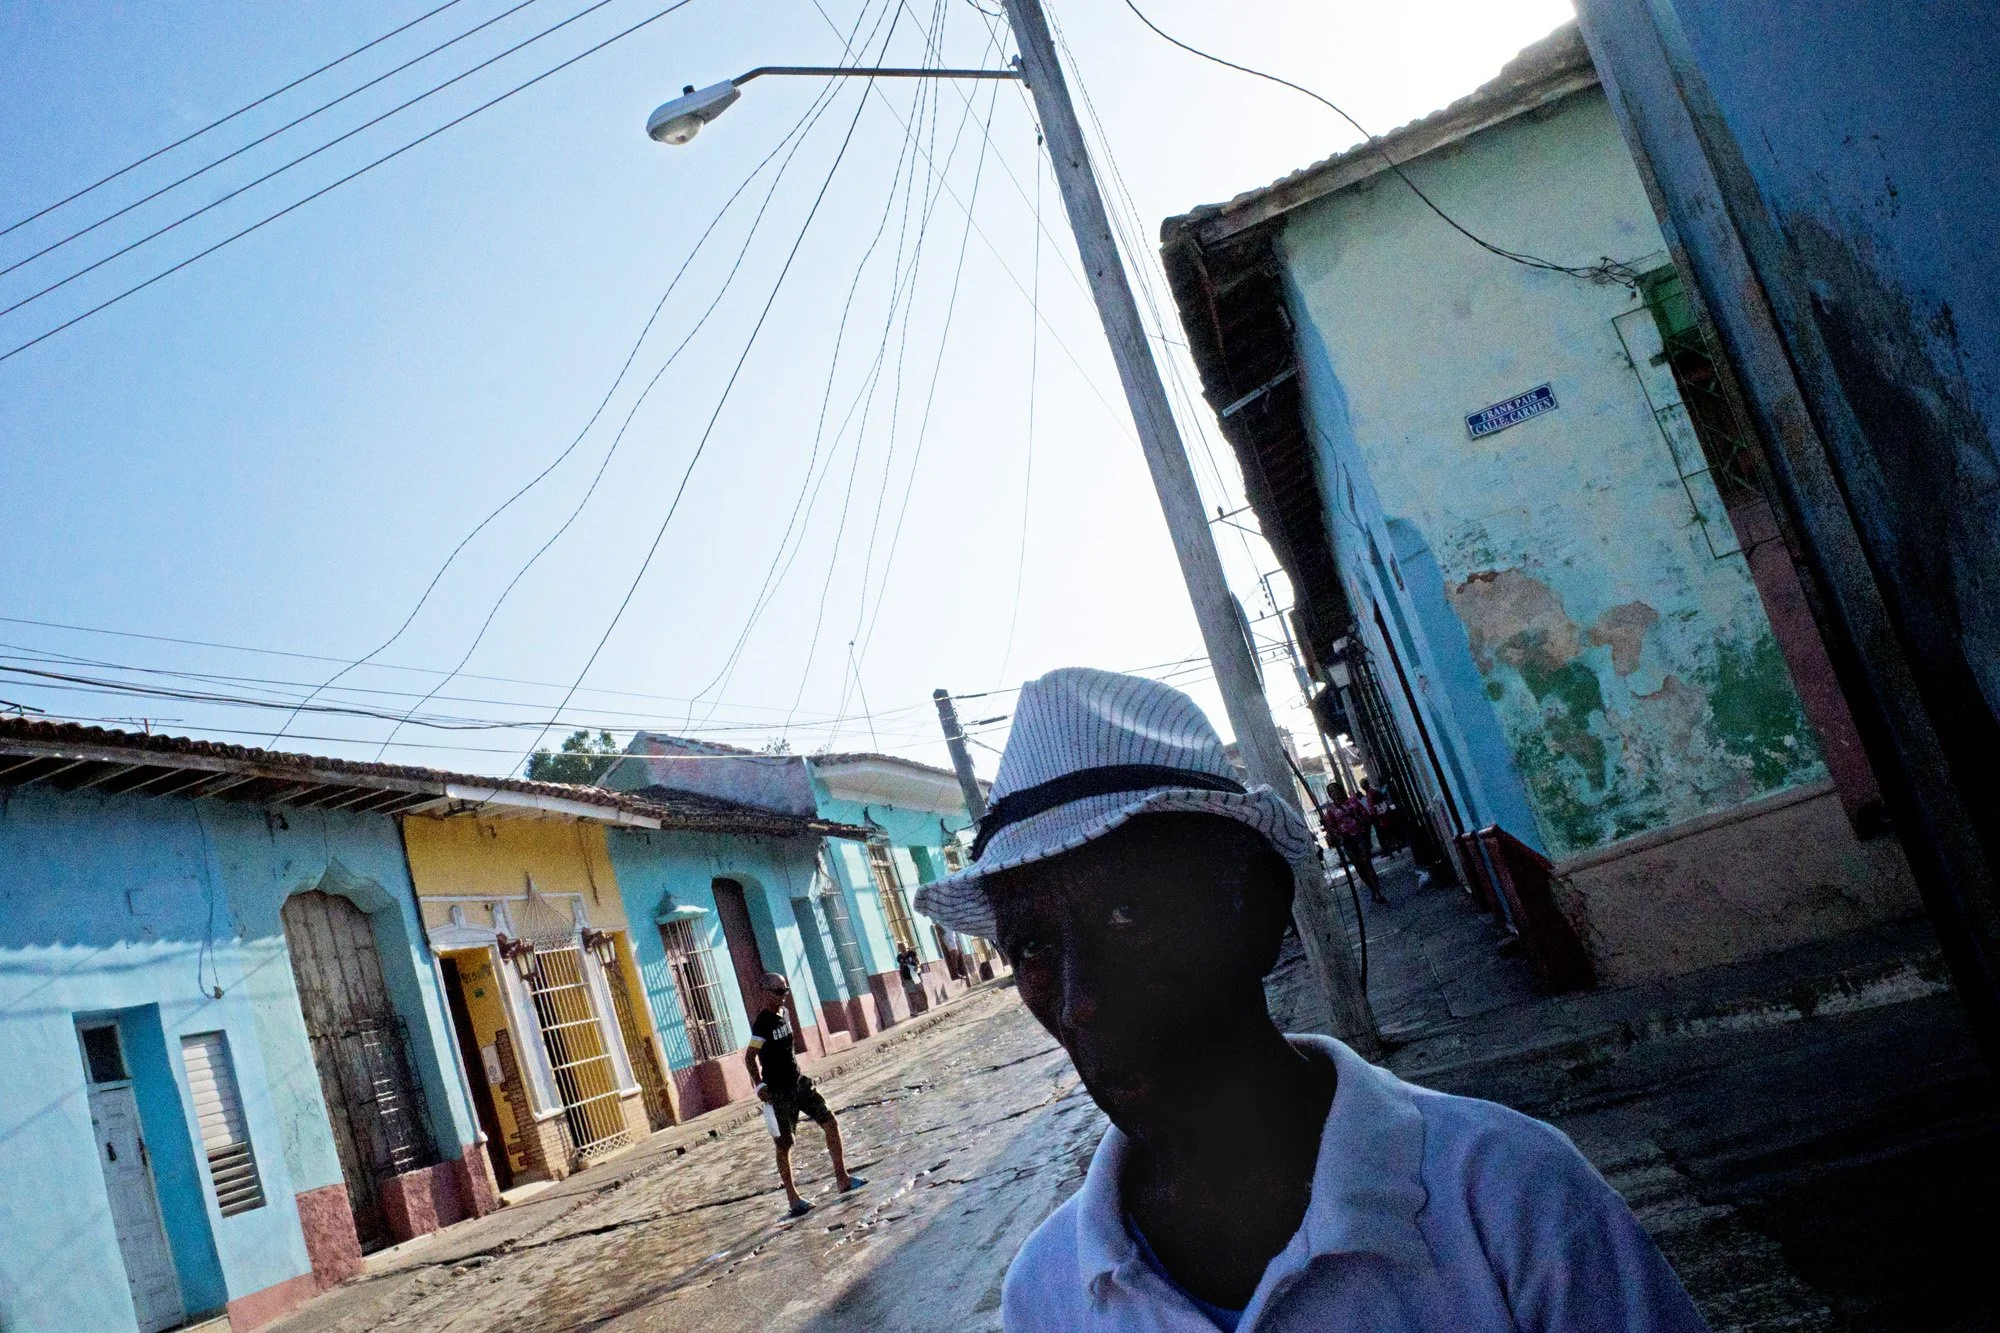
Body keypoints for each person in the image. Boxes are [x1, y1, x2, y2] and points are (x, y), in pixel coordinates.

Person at [913, 668, 1707, 1333]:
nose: (1082, 1003)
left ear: (1259, 909)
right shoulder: (1050, 1299)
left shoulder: (1510, 1198)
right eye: (1031, 949)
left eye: (1131, 914)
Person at [743, 971, 864, 1218]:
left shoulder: (785, 1014)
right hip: (778, 1093)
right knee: (784, 1144)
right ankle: (793, 1198)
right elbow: (749, 1058)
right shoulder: (762, 1024)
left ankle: (843, 1178)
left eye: (786, 990)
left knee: (830, 1121)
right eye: (779, 992)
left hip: (799, 1083)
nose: (784, 996)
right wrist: (759, 1086)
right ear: (766, 994)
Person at [1320, 782, 1388, 906]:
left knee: (1367, 864)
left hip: (1360, 837)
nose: (1333, 794)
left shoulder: (1353, 802)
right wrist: (1335, 835)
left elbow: (1366, 816)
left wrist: (1364, 831)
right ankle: (1372, 889)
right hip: (1347, 841)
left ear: (1341, 790)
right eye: (1330, 792)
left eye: (1335, 790)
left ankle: (1378, 892)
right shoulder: (1331, 811)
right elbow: (1330, 827)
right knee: (1359, 867)